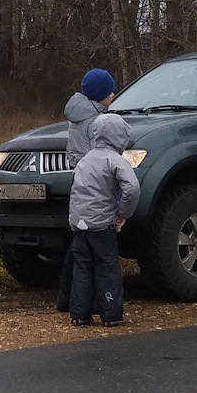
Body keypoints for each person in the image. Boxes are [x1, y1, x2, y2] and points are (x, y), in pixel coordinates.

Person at [65, 112, 140, 326]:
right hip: (102, 223)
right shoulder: (115, 160)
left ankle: (80, 314)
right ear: (120, 136)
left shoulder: (85, 160)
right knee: (106, 266)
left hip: (79, 223)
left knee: (82, 267)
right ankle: (111, 314)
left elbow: (76, 189)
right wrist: (122, 213)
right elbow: (132, 189)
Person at [56, 68, 115, 313]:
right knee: (97, 248)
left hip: (78, 181)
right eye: (110, 91)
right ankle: (100, 303)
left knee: (78, 244)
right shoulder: (96, 121)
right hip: (95, 185)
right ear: (101, 95)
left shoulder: (78, 116)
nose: (113, 94)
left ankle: (67, 298)